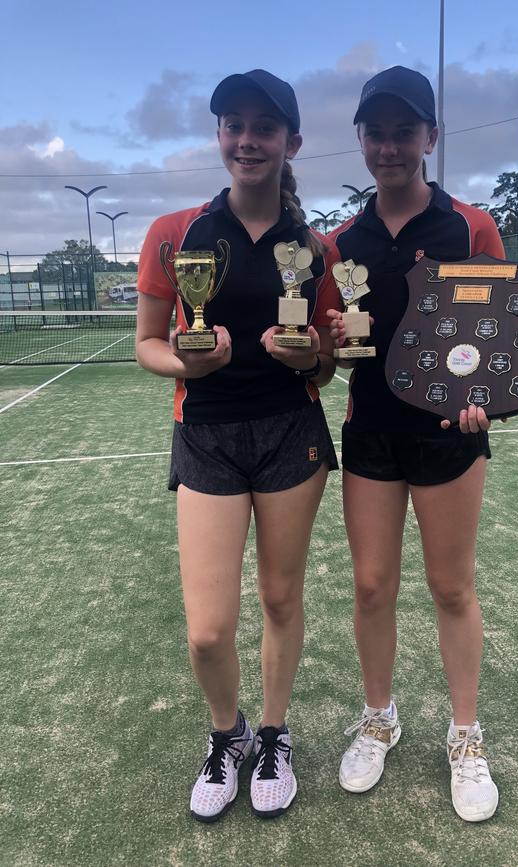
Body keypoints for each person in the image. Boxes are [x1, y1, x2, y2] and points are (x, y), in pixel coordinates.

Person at [136, 69, 340, 822]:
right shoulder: (174, 233)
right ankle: (228, 733)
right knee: (207, 628)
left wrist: (310, 356)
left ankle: (276, 733)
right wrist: (188, 361)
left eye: (264, 126)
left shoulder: (314, 247)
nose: (246, 139)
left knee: (282, 597)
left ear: (291, 141)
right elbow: (149, 346)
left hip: (293, 433)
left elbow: (323, 357)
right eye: (233, 124)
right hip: (208, 438)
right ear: (220, 135)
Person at [327, 66, 505, 822]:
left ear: (431, 137)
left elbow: (499, 340)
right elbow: (334, 359)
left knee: (452, 587)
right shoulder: (338, 242)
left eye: (406, 131)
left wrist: (483, 401)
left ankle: (465, 735)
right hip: (370, 434)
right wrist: (325, 344)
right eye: (378, 132)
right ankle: (380, 716)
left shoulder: (469, 227)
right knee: (371, 586)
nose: (390, 146)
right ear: (361, 140)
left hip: (446, 441)